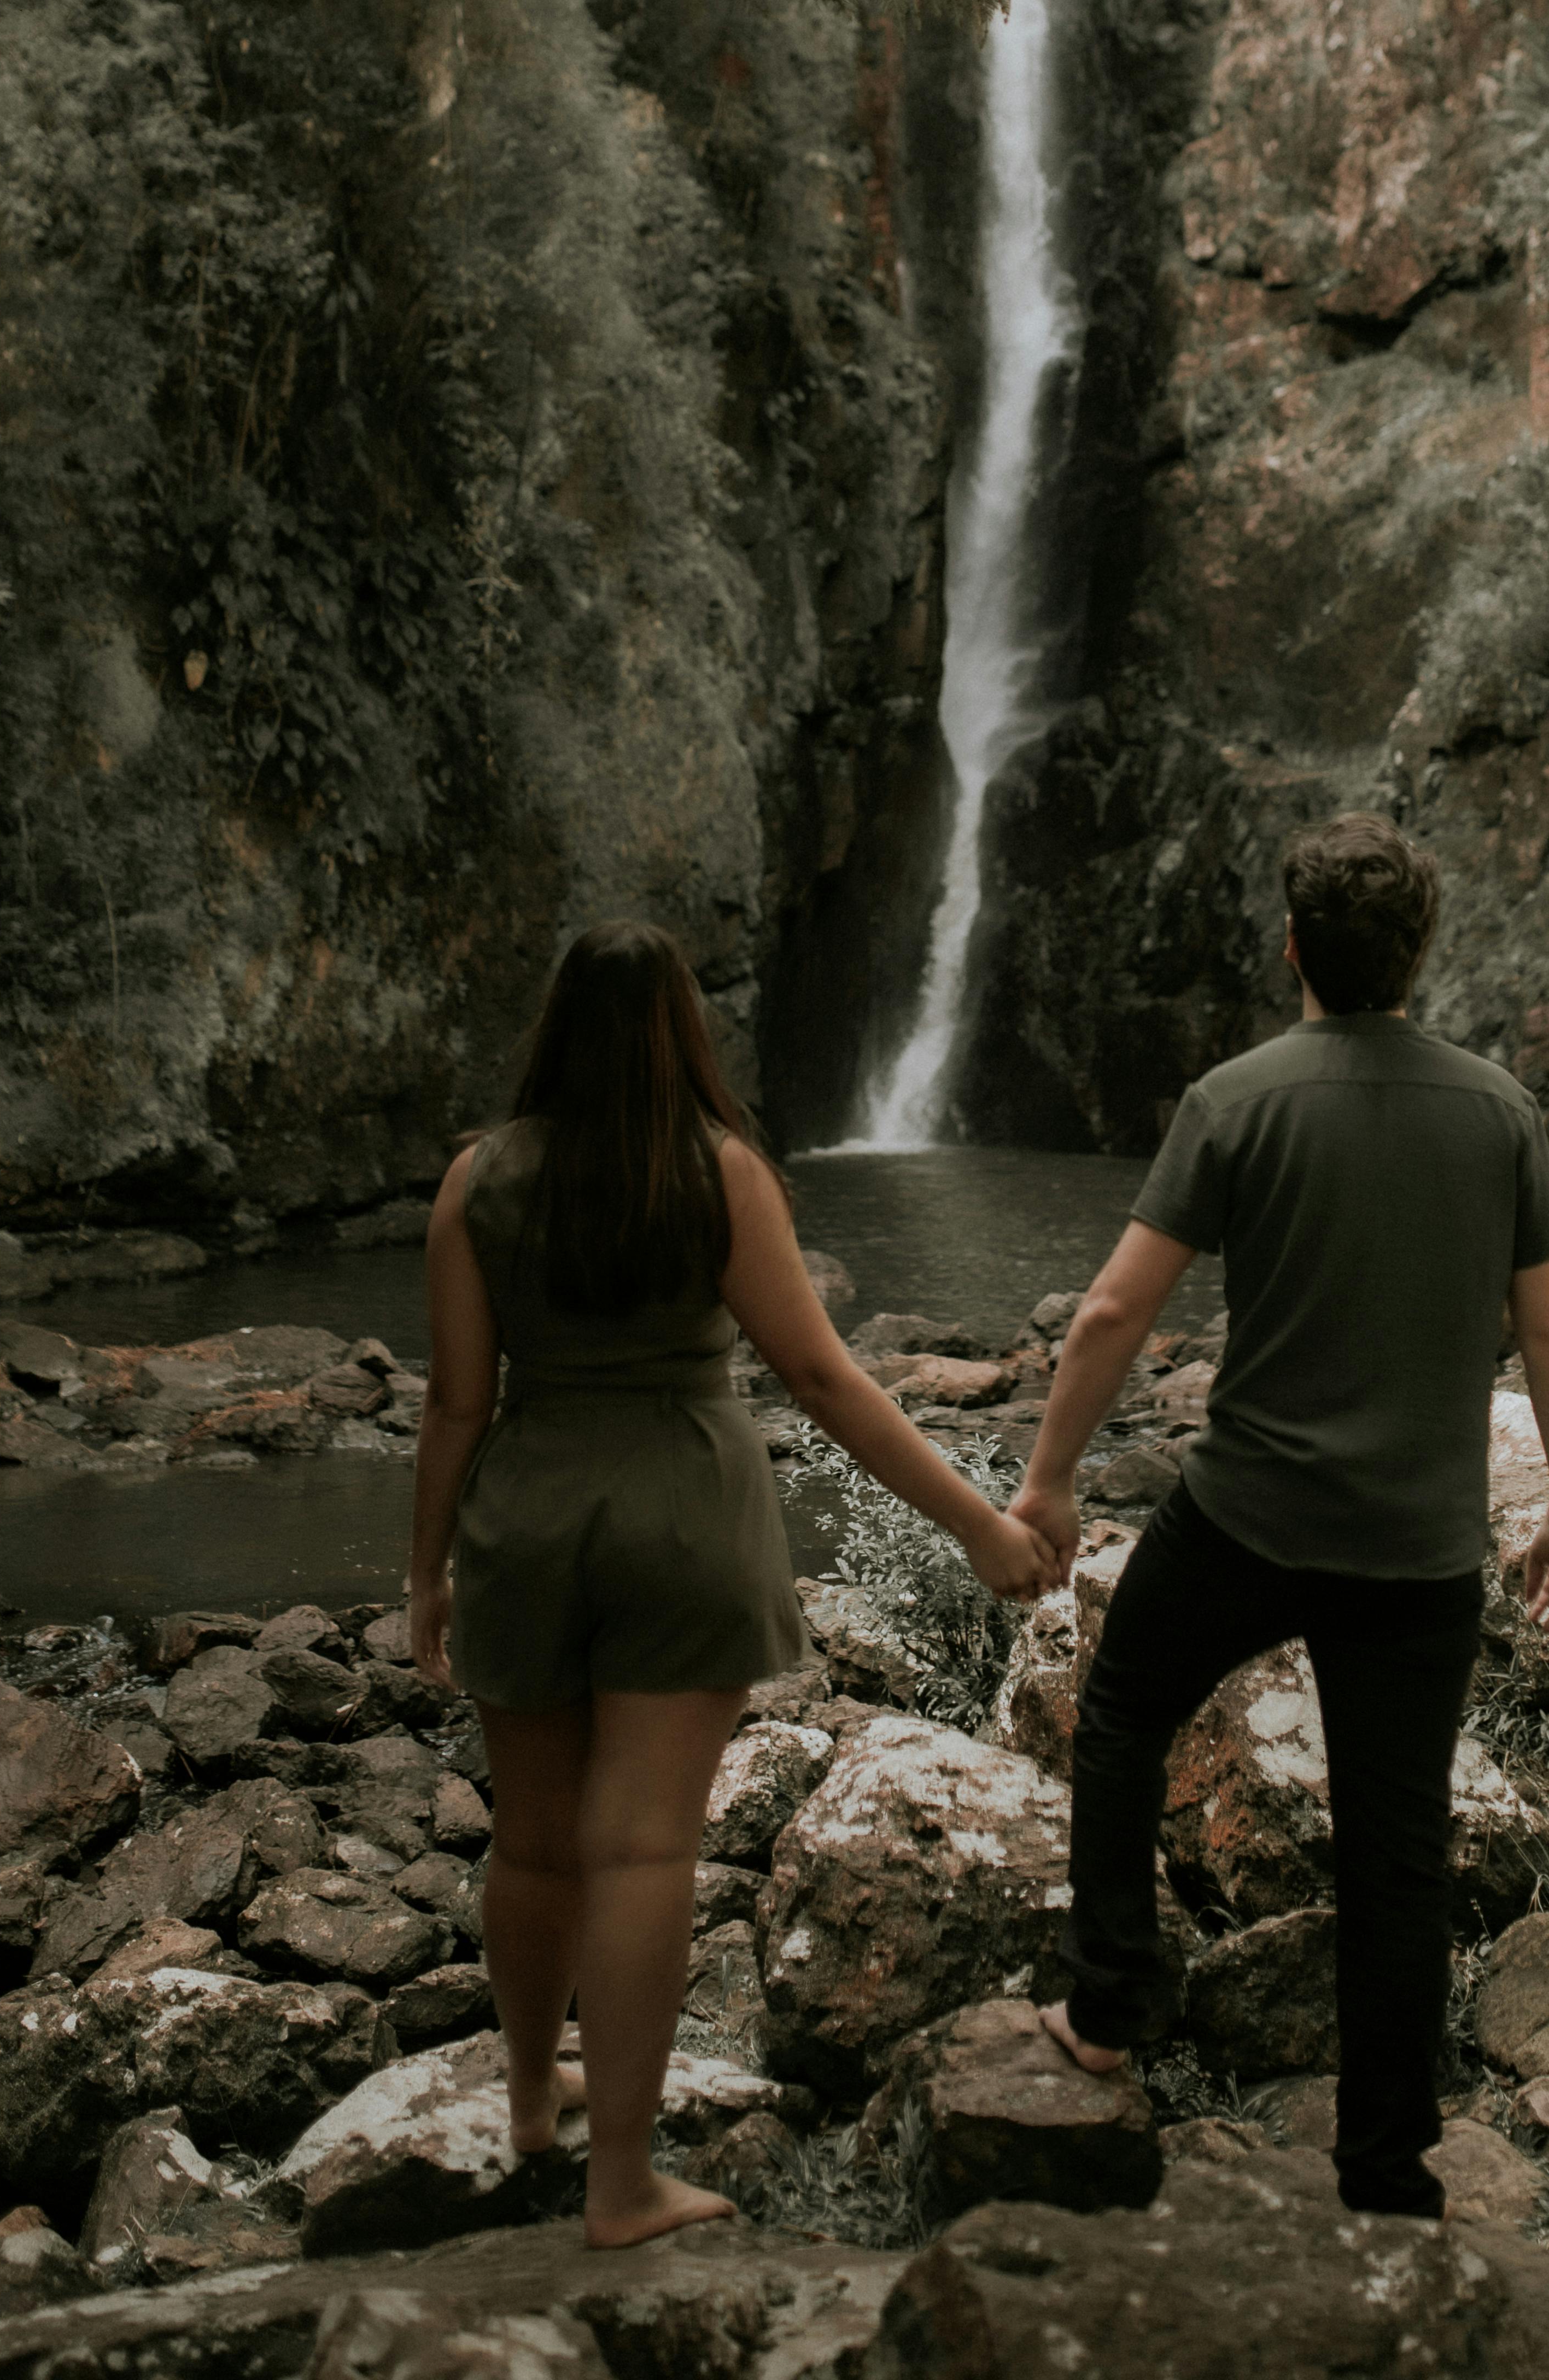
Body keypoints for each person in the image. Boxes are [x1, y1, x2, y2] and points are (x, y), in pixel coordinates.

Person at [405, 918, 1051, 2250]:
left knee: (530, 1841)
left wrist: (425, 1571)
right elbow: (823, 1379)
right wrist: (979, 1525)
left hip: (525, 1516)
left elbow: (458, 1404)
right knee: (644, 1846)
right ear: (682, 1033)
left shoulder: (475, 1182)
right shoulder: (724, 1174)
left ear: (553, 1031)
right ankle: (623, 2186)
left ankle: (531, 2103)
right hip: (686, 1514)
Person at [1009, 811, 1549, 2220]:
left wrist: (1045, 1475)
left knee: (1123, 1710)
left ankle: (1105, 2007)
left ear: (1293, 950)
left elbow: (1110, 1312)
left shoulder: (1235, 1099)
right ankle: (1386, 2174)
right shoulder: (1498, 1111)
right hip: (1418, 1549)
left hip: (1245, 1517)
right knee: (1397, 1857)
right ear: (1420, 953)